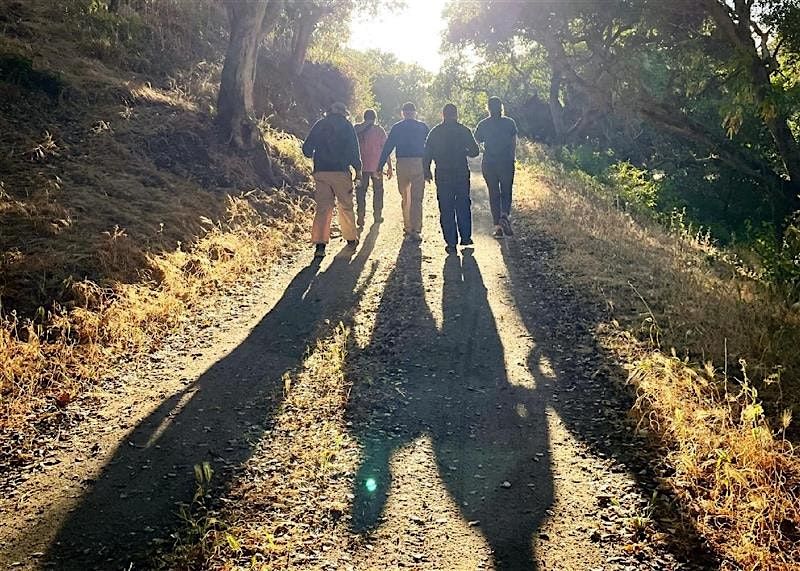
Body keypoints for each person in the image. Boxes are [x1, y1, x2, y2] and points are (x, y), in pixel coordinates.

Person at [302, 101, 362, 259]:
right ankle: (350, 239)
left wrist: (315, 155)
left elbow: (306, 150)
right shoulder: (347, 126)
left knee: (323, 208)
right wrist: (358, 169)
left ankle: (320, 245)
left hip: (321, 172)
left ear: (329, 111)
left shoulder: (320, 124)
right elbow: (354, 150)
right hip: (341, 172)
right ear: (344, 112)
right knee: (346, 206)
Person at [424, 103, 480, 254]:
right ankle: (466, 237)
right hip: (461, 172)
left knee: (446, 207)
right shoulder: (464, 131)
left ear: (443, 115)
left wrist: (426, 171)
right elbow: (475, 151)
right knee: (463, 204)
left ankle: (451, 242)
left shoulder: (435, 132)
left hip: (442, 174)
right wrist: (465, 151)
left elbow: (427, 153)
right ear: (456, 115)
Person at [378, 102, 430, 242]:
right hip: (418, 162)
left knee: (405, 197)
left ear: (403, 113)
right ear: (415, 112)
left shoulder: (397, 128)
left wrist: (380, 165)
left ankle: (408, 229)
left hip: (402, 163)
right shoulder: (422, 127)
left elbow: (388, 147)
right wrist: (428, 167)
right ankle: (416, 230)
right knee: (417, 198)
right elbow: (430, 146)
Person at [475, 96, 518, 237]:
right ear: (501, 107)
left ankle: (498, 227)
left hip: (489, 163)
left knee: (493, 193)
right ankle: (504, 214)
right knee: (506, 190)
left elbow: (478, 139)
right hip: (506, 161)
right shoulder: (510, 123)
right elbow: (513, 142)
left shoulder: (483, 124)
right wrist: (512, 157)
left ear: (488, 108)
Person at [354, 109, 392, 228]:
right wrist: (389, 166)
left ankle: (360, 215)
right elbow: (385, 150)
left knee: (361, 191)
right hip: (377, 167)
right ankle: (377, 215)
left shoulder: (356, 129)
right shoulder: (379, 130)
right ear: (375, 118)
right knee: (378, 191)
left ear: (364, 117)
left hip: (360, 167)